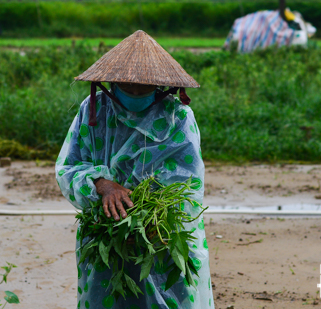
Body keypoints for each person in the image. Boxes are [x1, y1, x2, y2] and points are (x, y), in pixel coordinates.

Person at [55, 30, 214, 309]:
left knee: (166, 296)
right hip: (106, 229)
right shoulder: (94, 111)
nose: (137, 92)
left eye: (145, 87)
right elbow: (69, 166)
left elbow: (188, 184)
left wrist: (155, 221)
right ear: (112, 82)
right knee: (109, 295)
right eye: (129, 86)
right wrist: (102, 184)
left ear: (160, 85)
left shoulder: (177, 118)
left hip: (162, 237)